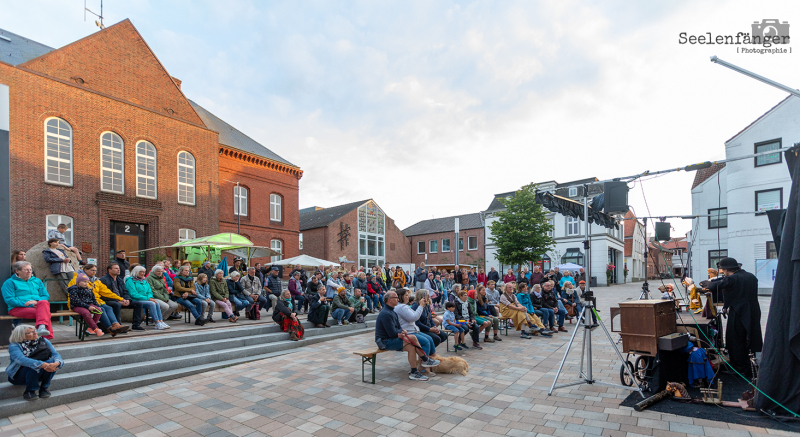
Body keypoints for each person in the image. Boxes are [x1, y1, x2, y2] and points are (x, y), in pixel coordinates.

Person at [698, 257, 763, 377]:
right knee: (750, 337)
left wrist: (707, 284)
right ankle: (750, 364)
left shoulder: (733, 278)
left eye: (723, 269)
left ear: (727, 269)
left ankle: (740, 368)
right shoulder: (750, 276)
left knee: (735, 339)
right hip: (753, 310)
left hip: (739, 311)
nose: (723, 272)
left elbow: (719, 284)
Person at [375, 290, 439, 381]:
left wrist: (402, 331)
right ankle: (425, 359)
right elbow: (391, 333)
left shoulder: (392, 311)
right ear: (389, 300)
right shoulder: (386, 314)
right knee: (413, 337)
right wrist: (400, 333)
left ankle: (414, 372)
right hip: (384, 342)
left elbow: (398, 327)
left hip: (391, 338)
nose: (398, 299)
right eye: (395, 298)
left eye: (398, 297)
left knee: (411, 347)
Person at [6, 324, 64, 401]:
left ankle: (44, 388)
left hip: (38, 373)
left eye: (34, 331)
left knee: (52, 362)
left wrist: (56, 363)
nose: (35, 333)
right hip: (19, 376)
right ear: (21, 335)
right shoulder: (14, 345)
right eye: (30, 333)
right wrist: (43, 364)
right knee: (32, 364)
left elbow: (56, 355)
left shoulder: (44, 341)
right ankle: (30, 391)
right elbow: (21, 360)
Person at [67, 265, 128, 335]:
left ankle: (116, 325)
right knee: (102, 309)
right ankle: (110, 328)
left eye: (95, 270)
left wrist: (120, 298)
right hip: (81, 304)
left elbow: (106, 292)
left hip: (94, 301)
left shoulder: (96, 280)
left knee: (108, 308)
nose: (94, 272)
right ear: (85, 270)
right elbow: (72, 296)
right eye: (92, 270)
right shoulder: (77, 279)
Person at [2, 261, 53, 339]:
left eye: (30, 269)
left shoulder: (37, 281)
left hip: (37, 306)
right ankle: (45, 337)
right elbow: (9, 300)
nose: (29, 272)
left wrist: (36, 301)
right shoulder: (9, 283)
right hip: (17, 308)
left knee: (44, 302)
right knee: (45, 313)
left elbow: (45, 296)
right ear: (17, 271)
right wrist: (29, 304)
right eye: (26, 270)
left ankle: (42, 329)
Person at [395, 289, 436, 374]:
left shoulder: (404, 306)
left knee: (430, 339)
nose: (408, 297)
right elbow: (414, 317)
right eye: (406, 295)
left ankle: (428, 360)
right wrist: (421, 305)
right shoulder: (401, 307)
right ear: (400, 297)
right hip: (408, 332)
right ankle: (423, 367)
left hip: (412, 330)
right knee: (426, 342)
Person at [99, 264, 144, 331]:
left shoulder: (119, 279)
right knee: (117, 304)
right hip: (108, 300)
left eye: (119, 268)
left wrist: (127, 299)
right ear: (109, 270)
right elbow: (103, 294)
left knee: (138, 304)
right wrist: (118, 300)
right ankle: (118, 326)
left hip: (121, 299)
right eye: (116, 268)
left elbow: (125, 291)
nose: (118, 269)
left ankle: (136, 325)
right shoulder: (103, 280)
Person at [66, 273, 105, 337]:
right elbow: (76, 301)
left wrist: (97, 306)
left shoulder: (89, 290)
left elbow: (93, 299)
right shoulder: (74, 290)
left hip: (88, 304)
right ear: (78, 282)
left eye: (87, 282)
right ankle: (95, 328)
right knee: (86, 313)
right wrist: (88, 307)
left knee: (99, 311)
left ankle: (90, 328)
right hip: (77, 306)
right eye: (84, 282)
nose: (86, 283)